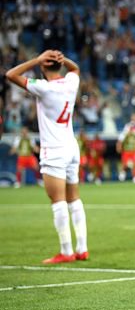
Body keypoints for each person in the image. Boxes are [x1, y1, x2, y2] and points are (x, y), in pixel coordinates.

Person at [6, 50, 89, 263]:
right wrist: (64, 59)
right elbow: (75, 69)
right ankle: (82, 249)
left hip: (53, 150)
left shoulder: (44, 87)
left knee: (58, 201)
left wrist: (35, 59)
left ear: (44, 67)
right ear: (59, 66)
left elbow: (10, 75)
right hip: (71, 147)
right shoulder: (71, 83)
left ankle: (66, 252)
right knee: (74, 198)